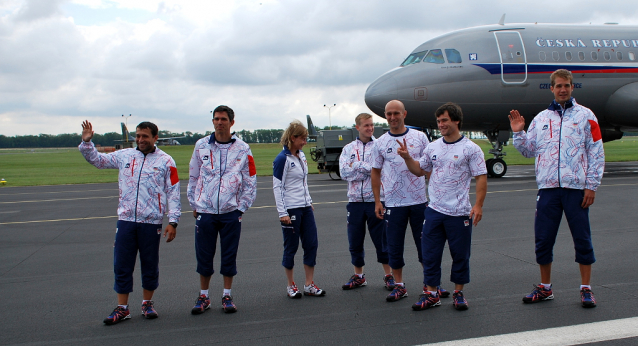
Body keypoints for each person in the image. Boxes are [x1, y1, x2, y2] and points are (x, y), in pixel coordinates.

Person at [509, 69, 605, 308]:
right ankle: (545, 288)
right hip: (548, 188)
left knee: (582, 240)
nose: (563, 89)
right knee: (543, 240)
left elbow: (596, 151)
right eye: (558, 86)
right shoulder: (541, 118)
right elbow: (528, 150)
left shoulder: (587, 116)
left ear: (573, 87)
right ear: (551, 88)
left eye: (567, 85)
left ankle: (586, 289)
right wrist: (518, 132)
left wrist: (591, 185)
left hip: (576, 189)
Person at [79, 120, 181, 325]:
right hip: (126, 220)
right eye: (138, 136)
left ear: (155, 138)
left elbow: (173, 191)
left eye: (145, 136)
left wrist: (173, 221)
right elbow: (98, 161)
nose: (141, 140)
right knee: (122, 264)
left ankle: (147, 303)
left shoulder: (166, 161)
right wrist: (87, 143)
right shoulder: (125, 155)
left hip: (151, 222)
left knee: (150, 265)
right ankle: (122, 308)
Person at [397, 103, 487, 311]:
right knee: (430, 254)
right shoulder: (433, 147)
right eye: (439, 121)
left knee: (460, 255)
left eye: (445, 120)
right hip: (434, 211)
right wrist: (408, 158)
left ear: (456, 120)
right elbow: (420, 171)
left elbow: (481, 177)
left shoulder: (471, 149)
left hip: (459, 213)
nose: (441, 124)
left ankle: (458, 292)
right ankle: (431, 293)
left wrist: (478, 205)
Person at [371, 100, 448, 302]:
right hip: (393, 204)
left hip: (419, 202)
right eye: (388, 114)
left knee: (425, 246)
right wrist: (378, 201)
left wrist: (436, 196)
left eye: (396, 113)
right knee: (394, 247)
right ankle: (399, 286)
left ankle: (432, 285)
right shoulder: (380, 142)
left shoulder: (420, 137)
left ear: (404, 114)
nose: (392, 117)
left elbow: (429, 166)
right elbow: (375, 172)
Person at [188, 105, 257, 314]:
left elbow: (250, 180)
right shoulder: (201, 146)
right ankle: (204, 296)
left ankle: (227, 295)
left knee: (229, 255)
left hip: (230, 213)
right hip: (206, 212)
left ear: (231, 123)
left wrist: (241, 208)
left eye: (223, 119)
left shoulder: (243, 148)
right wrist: (194, 204)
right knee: (204, 256)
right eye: (216, 119)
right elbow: (193, 176)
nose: (219, 122)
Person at [339, 113, 393, 290]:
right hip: (354, 202)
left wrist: (357, 166)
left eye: (371, 125)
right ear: (358, 127)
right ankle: (359, 275)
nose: (370, 128)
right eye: (366, 125)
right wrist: (366, 168)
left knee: (382, 241)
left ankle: (389, 275)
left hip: (376, 201)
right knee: (354, 241)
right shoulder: (348, 148)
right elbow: (344, 173)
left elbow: (381, 171)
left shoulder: (380, 146)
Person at [273, 120, 325, 298]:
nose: (305, 142)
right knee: (291, 247)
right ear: (293, 138)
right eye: (302, 139)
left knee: (311, 244)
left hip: (304, 208)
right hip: (291, 209)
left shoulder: (301, 156)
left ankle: (309, 284)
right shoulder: (282, 159)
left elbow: (303, 182)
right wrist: (283, 212)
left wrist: (308, 201)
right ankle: (290, 285)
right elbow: (277, 187)